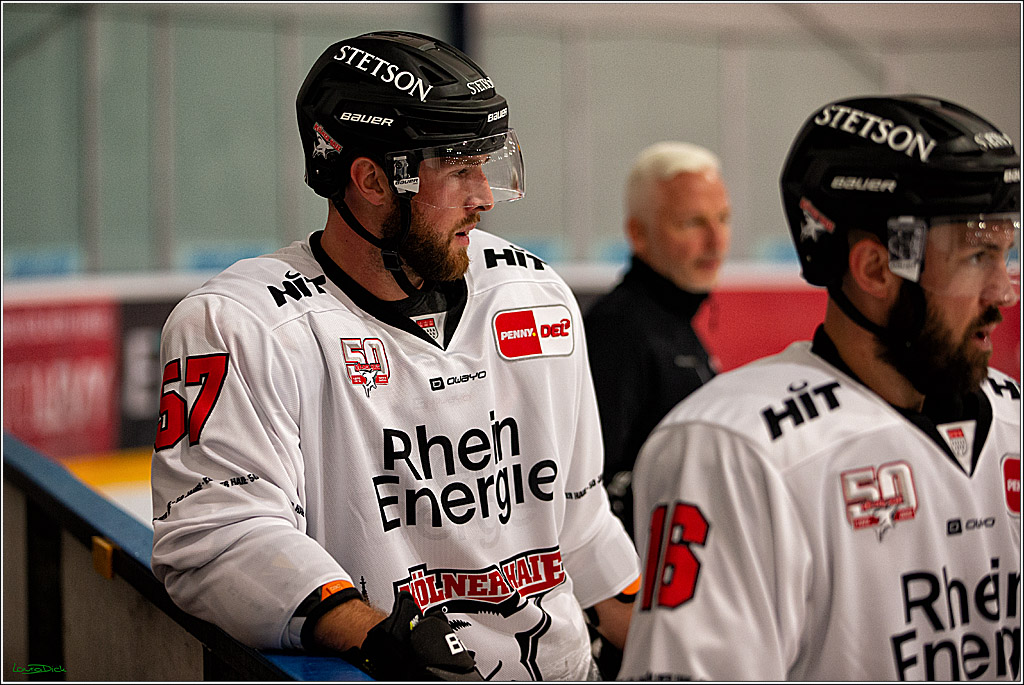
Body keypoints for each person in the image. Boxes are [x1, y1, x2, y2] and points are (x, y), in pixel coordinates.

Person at [150, 31, 639, 682]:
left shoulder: (536, 297)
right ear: (371, 179)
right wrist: (377, 635)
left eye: (486, 165)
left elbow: (579, 518)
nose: (485, 196)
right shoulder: (242, 324)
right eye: (458, 169)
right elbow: (216, 538)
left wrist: (680, 649)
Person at [619, 95, 1021, 681]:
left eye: (1007, 254)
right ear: (876, 270)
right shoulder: (735, 448)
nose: (1004, 292)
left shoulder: (1012, 420)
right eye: (976, 257)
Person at [584, 141, 731, 539]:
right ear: (638, 233)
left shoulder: (674, 319)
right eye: (692, 223)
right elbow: (591, 492)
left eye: (723, 218)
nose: (717, 242)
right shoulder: (619, 330)